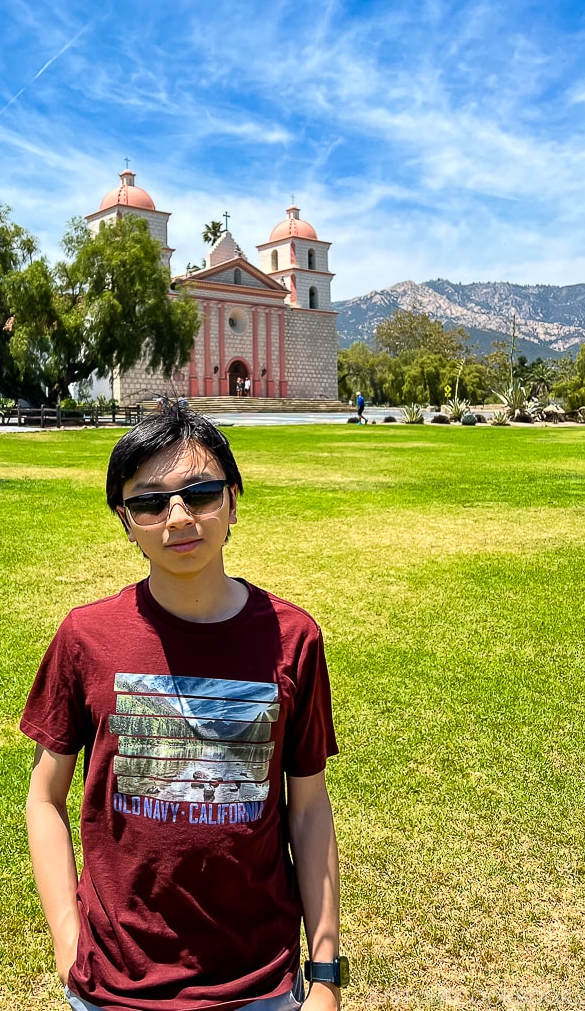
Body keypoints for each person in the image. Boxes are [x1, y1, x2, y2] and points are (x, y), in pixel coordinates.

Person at [22, 407, 347, 1011]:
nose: (178, 518)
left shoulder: (293, 638)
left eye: (200, 494)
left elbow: (307, 807)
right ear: (126, 521)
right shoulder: (85, 637)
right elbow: (45, 799)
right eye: (149, 503)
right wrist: (69, 946)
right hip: (113, 984)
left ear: (232, 501)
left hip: (259, 981)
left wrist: (324, 973)